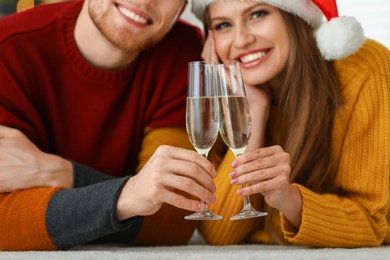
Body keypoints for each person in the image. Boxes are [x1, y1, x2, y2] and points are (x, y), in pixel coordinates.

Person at [0, 0, 218, 251]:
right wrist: (129, 196)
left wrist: (60, 173)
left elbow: (173, 216)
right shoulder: (8, 48)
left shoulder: (181, 52)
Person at [191, 0, 390, 247]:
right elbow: (218, 230)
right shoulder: (228, 93)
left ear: (295, 16)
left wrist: (287, 200)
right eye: (223, 25)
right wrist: (253, 108)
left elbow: (370, 222)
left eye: (257, 14)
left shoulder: (363, 67)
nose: (241, 40)